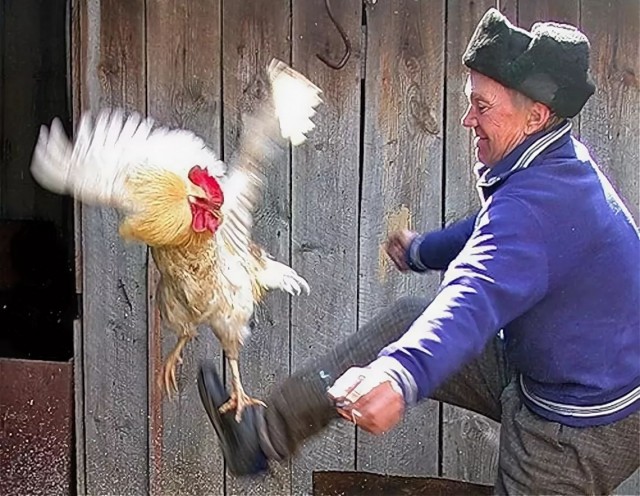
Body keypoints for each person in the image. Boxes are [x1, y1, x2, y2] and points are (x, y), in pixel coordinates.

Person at [197, 8, 640, 494]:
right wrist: (424, 250)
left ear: (535, 115)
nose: (469, 119)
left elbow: (473, 298)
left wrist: (399, 373)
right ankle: (259, 436)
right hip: (544, 370)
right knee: (406, 319)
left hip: (577, 424)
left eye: (483, 106)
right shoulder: (554, 168)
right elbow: (492, 231)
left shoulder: (538, 207)